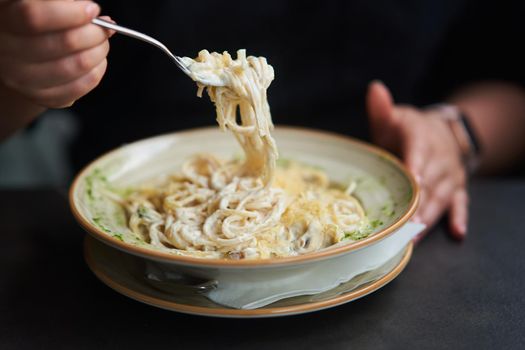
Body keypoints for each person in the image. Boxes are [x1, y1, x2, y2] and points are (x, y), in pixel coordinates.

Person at [1, 0, 525, 241]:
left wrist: (458, 132)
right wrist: (18, 76)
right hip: (117, 260)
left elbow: (510, 75)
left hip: (387, 244)